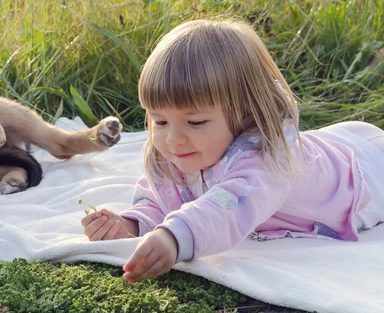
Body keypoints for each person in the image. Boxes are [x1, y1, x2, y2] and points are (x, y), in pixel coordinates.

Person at [81, 19, 384, 284]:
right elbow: (164, 198)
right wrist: (131, 224)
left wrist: (174, 237)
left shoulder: (267, 162)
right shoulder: (180, 149)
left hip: (366, 174)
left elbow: (227, 208)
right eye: (159, 120)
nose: (173, 138)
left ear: (245, 113)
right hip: (329, 145)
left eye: (195, 121)